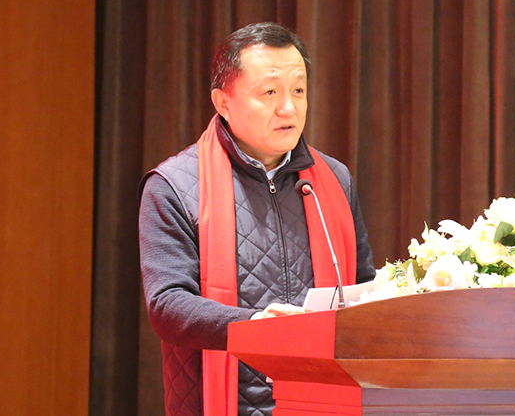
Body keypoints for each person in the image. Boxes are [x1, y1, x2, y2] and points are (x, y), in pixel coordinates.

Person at [138, 22, 375, 416]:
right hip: (224, 403)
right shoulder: (172, 186)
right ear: (223, 102)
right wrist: (255, 325)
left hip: (323, 400)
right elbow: (167, 305)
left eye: (298, 91)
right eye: (269, 93)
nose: (289, 108)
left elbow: (363, 288)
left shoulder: (333, 180)